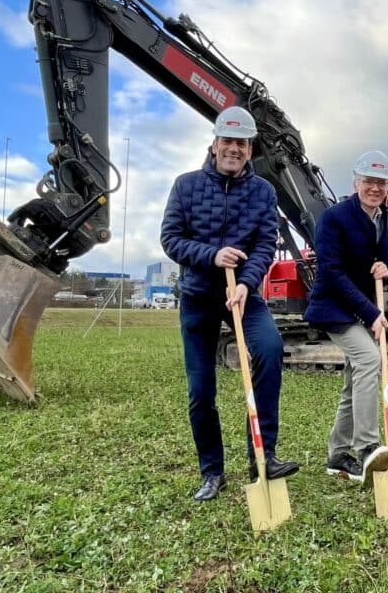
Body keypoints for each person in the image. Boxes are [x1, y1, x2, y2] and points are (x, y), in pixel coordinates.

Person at [160, 106, 299, 502]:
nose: (234, 149)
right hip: (199, 297)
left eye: (242, 143)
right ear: (215, 144)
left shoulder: (263, 192)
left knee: (270, 349)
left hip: (243, 296)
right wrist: (212, 255)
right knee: (201, 390)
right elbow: (170, 239)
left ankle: (263, 457)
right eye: (228, 141)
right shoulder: (186, 186)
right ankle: (212, 472)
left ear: (250, 149)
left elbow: (264, 245)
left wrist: (247, 283)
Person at [304, 150, 388, 486]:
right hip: (334, 307)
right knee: (369, 359)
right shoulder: (334, 218)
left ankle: (337, 455)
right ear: (356, 183)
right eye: (369, 181)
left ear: (387, 188)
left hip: (362, 306)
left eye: (381, 183)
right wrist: (371, 313)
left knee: (354, 380)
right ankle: (367, 447)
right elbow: (332, 273)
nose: (375, 188)